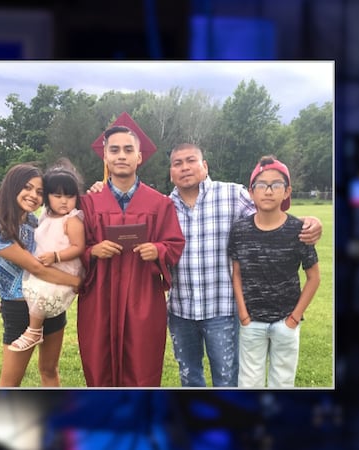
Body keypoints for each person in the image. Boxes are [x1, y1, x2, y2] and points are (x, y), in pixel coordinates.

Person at [88, 143, 323, 387]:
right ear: (171, 173)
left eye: (191, 160)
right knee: (190, 378)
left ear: (205, 166)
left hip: (221, 309)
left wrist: (309, 221)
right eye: (177, 163)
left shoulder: (232, 195)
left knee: (226, 378)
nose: (185, 168)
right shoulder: (163, 205)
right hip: (181, 310)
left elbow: (271, 213)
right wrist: (100, 188)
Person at [78, 124, 185, 387]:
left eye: (128, 149)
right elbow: (69, 246)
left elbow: (174, 244)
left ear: (139, 157)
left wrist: (158, 249)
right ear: (105, 156)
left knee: (142, 364)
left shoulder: (160, 204)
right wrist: (92, 251)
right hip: (99, 297)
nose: (121, 156)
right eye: (114, 150)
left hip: (143, 296)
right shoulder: (88, 203)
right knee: (98, 363)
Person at [0, 164, 81, 387]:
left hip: (50, 301)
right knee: (10, 382)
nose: (33, 195)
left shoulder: (33, 221)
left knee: (50, 370)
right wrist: (78, 283)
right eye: (27, 187)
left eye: (40, 192)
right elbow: (36, 268)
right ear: (11, 187)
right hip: (19, 309)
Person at [228, 155, 320, 388]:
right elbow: (236, 273)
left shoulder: (299, 230)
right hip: (252, 322)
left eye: (276, 184)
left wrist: (294, 318)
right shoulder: (240, 230)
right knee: (249, 382)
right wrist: (243, 314)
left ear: (287, 191)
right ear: (251, 192)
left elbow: (313, 278)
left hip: (285, 322)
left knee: (283, 381)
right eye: (261, 185)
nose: (268, 191)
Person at [11, 165, 85, 352]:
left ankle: (34, 331)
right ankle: (7, 304)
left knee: (43, 292)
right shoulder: (44, 215)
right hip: (44, 263)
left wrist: (56, 256)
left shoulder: (72, 220)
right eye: (57, 196)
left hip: (63, 268)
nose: (64, 202)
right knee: (27, 278)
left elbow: (78, 247)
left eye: (69, 197)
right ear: (47, 197)